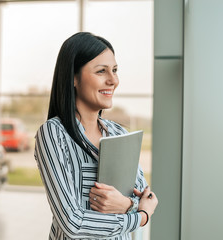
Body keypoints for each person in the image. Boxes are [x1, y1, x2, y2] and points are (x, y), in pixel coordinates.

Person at [34, 32, 158, 240]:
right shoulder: (53, 133)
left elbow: (146, 197)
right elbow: (72, 223)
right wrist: (140, 218)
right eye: (101, 71)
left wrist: (127, 204)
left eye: (115, 70)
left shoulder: (119, 133)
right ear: (73, 78)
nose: (113, 80)